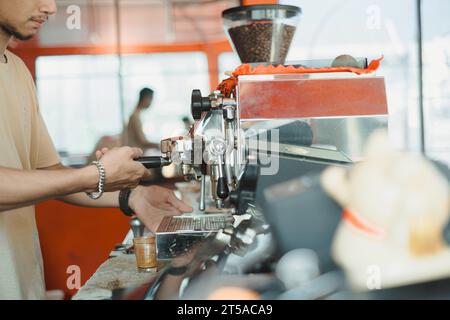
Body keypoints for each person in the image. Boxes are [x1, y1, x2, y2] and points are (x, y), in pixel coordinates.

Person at [0, 0, 192, 299]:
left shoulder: (17, 72)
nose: (51, 8)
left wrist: (132, 195)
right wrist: (97, 174)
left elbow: (48, 174)